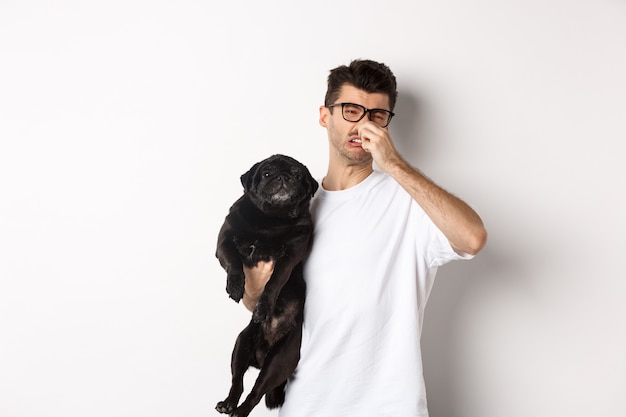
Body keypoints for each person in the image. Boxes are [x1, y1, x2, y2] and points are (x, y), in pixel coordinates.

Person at [242, 59, 487, 417]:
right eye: (352, 110)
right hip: (304, 405)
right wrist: (253, 287)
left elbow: (473, 238)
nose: (363, 124)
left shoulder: (408, 199)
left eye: (377, 115)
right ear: (325, 116)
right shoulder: (295, 210)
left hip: (389, 407)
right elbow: (261, 304)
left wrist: (395, 166)